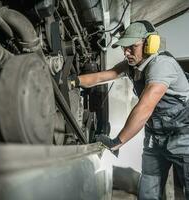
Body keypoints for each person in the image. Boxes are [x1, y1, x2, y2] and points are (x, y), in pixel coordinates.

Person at [72, 20, 189, 199]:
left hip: (183, 138)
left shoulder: (161, 65)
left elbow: (144, 108)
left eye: (131, 47)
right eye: (124, 47)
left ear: (150, 44)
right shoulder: (131, 65)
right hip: (155, 139)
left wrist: (117, 142)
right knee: (148, 193)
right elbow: (103, 76)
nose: (126, 52)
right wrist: (73, 81)